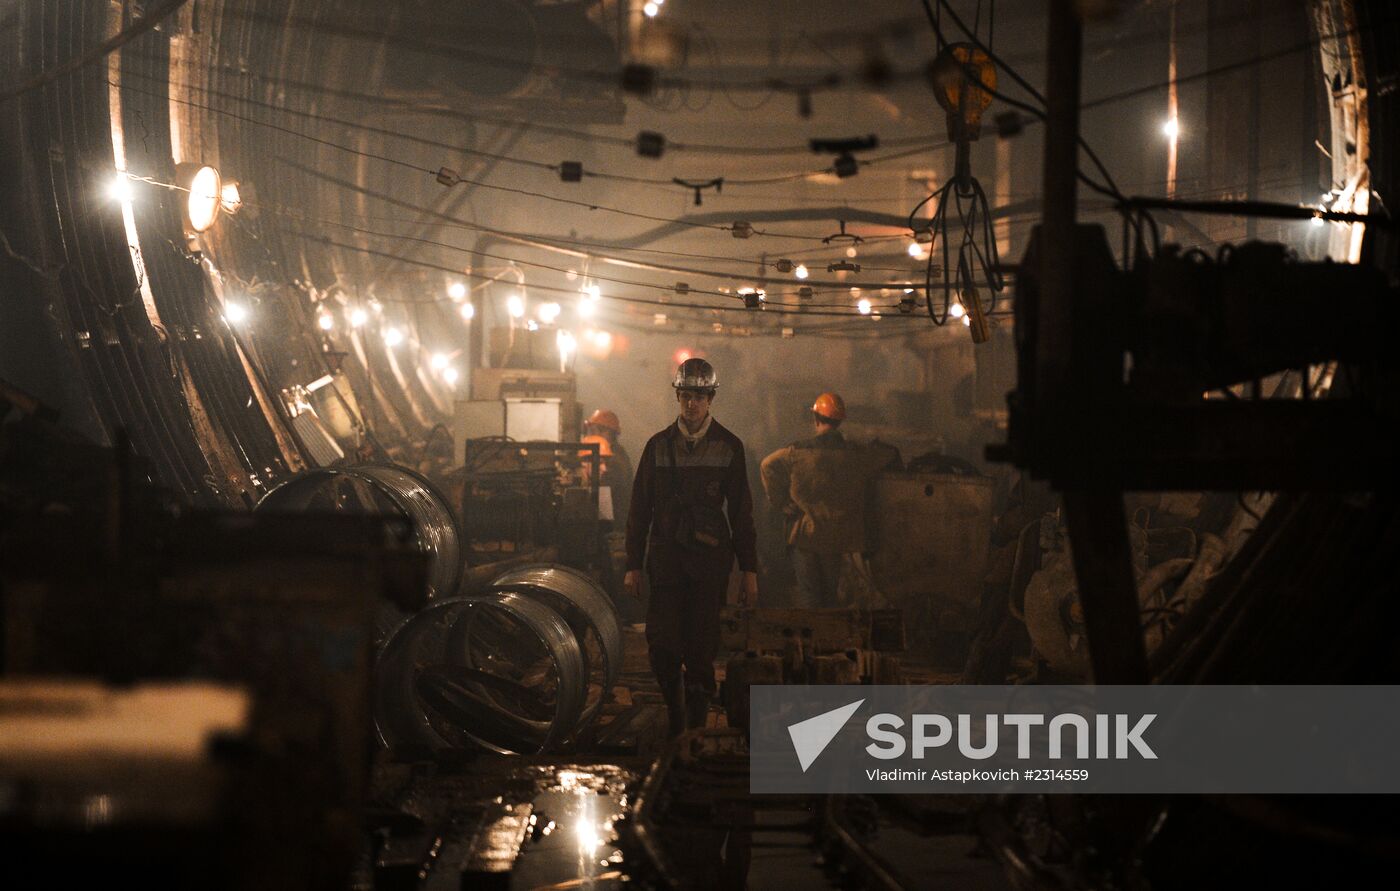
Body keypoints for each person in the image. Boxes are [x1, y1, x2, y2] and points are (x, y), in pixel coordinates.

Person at [624, 358, 759, 737]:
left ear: (711, 399)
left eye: (698, 397)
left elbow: (742, 512)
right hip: (666, 564)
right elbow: (639, 509)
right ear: (678, 398)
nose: (691, 404)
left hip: (709, 567)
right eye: (685, 396)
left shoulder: (729, 447)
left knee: (701, 650)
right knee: (663, 646)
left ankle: (694, 728)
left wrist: (749, 570)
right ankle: (676, 709)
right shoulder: (657, 447)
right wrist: (632, 563)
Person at [760, 392, 889, 609]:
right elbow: (885, 456)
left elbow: (767, 465)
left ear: (816, 419)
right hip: (836, 537)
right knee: (829, 596)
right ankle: (829, 641)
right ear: (839, 421)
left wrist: (781, 502)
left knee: (809, 595)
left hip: (805, 535)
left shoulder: (797, 452)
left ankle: (812, 641)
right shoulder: (855, 455)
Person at [585, 408, 632, 524]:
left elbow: (604, 487)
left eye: (598, 430)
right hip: (610, 517)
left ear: (611, 433)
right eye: (592, 431)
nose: (594, 435)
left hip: (615, 521)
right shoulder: (606, 453)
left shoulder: (616, 458)